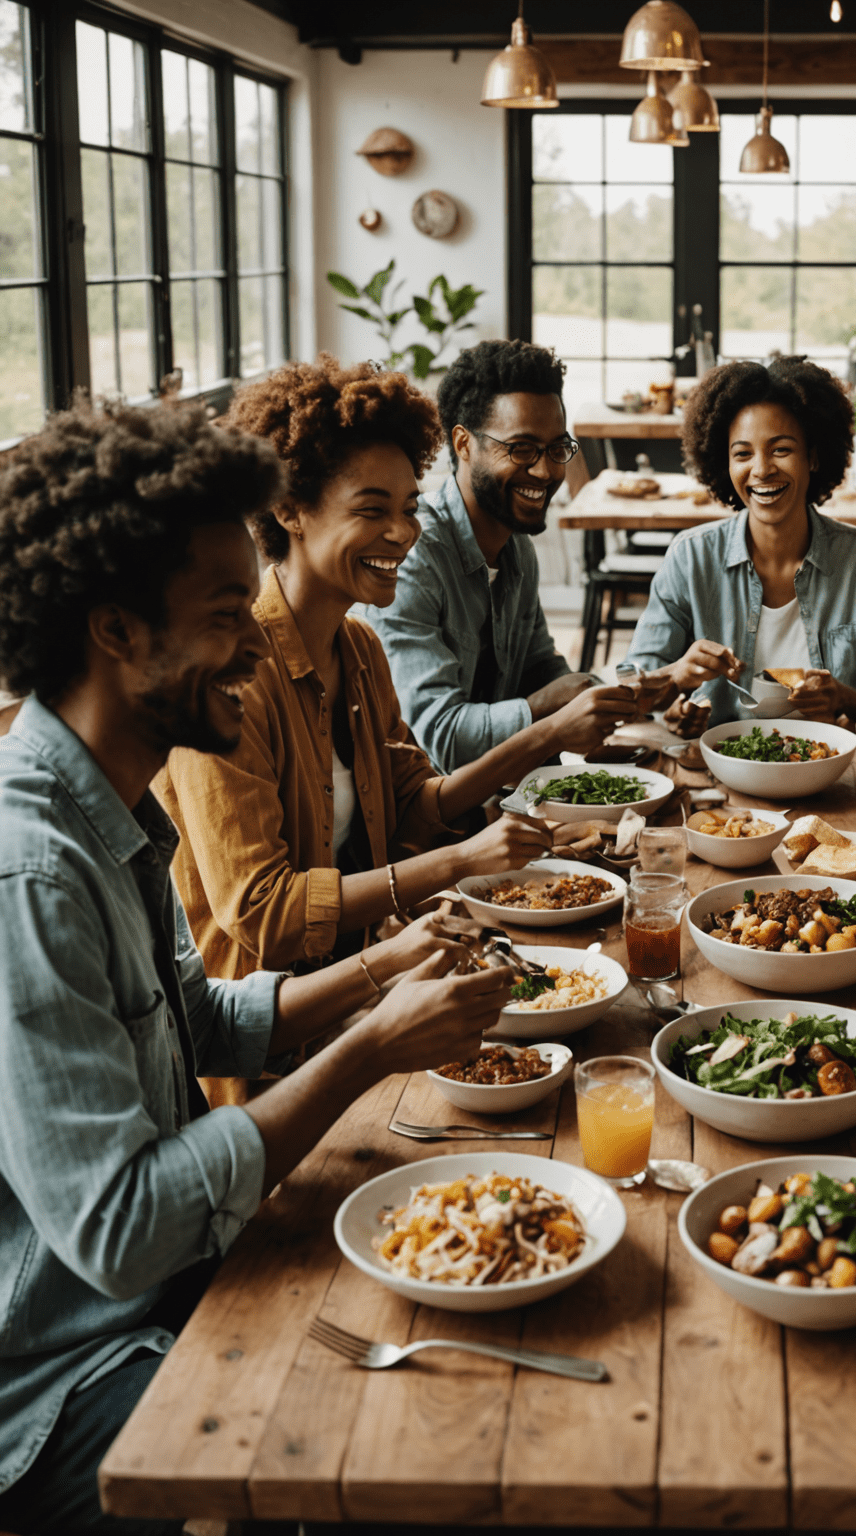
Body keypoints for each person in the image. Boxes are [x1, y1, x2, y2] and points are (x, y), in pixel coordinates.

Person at [0, 401, 514, 1535]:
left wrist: (386, 980)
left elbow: (195, 1017)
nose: (257, 641)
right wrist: (370, 1053)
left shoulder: (107, 799)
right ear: (118, 631)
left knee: (476, 1343)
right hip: (62, 1384)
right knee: (412, 1450)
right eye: (229, 612)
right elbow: (125, 1228)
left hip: (167, 1289)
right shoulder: (29, 871)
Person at [155, 355, 568, 989]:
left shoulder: (358, 648)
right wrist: (461, 859)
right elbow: (263, 916)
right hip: (271, 1036)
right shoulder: (231, 675)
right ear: (291, 510)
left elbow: (411, 804)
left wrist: (544, 745)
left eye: (408, 507)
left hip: (360, 977)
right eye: (372, 510)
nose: (403, 532)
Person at [364, 338, 646, 770]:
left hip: (499, 792)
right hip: (423, 815)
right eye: (521, 449)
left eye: (556, 449)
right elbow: (439, 738)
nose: (547, 471)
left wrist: (600, 695)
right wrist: (546, 711)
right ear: (463, 444)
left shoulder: (516, 546)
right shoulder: (413, 558)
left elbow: (537, 665)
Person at [624, 356, 856, 731]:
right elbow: (628, 688)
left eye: (781, 449)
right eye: (742, 454)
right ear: (724, 463)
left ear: (813, 457)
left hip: (832, 769)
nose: (761, 469)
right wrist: (674, 677)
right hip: (720, 772)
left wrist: (846, 698)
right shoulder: (691, 558)